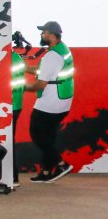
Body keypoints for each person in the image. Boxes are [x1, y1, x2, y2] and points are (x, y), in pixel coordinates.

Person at [24, 20, 74, 183]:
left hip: (50, 102)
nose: (41, 35)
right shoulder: (62, 49)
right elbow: (45, 70)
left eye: (44, 32)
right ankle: (46, 172)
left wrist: (22, 87)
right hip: (63, 100)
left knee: (37, 133)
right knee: (48, 136)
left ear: (51, 35)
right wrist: (25, 67)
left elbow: (40, 83)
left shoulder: (52, 56)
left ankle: (61, 164)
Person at [10, 36, 27, 186]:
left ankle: (13, 177)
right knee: (9, 140)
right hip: (16, 104)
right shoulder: (17, 58)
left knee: (8, 141)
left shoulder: (9, 60)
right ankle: (13, 176)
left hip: (11, 104)